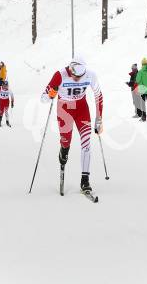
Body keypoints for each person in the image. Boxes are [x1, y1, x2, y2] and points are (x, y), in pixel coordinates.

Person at [41, 57, 104, 192]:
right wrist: (51, 94)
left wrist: (99, 119)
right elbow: (43, 98)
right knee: (66, 141)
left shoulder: (90, 75)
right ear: (70, 69)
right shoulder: (60, 75)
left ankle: (85, 180)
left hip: (82, 109)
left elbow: (98, 95)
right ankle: (64, 150)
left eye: (79, 76)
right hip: (64, 110)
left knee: (86, 143)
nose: (76, 79)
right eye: (74, 75)